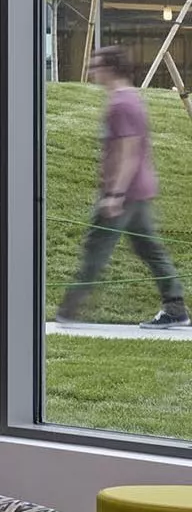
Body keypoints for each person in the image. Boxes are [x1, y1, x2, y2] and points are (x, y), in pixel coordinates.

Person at [58, 47, 188, 329]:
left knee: (96, 247)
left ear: (110, 68)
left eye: (96, 65)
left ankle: (67, 312)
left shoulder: (121, 104)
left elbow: (128, 152)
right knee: (149, 248)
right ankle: (175, 306)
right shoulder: (130, 98)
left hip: (124, 193)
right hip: (137, 190)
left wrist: (114, 194)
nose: (92, 70)